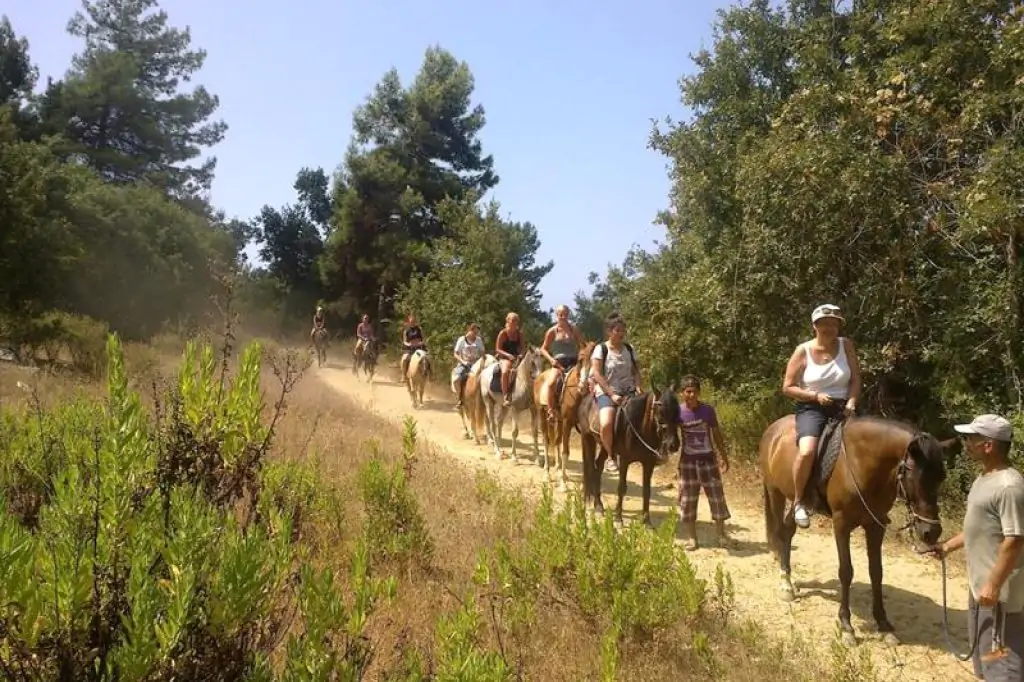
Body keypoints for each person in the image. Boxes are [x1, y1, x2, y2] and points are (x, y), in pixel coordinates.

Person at [927, 414, 1024, 681]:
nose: (966, 443)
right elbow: (978, 529)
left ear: (989, 445)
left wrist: (993, 585)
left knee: (1003, 662)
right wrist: (947, 546)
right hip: (980, 587)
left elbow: (1015, 539)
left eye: (972, 438)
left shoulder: (1008, 487)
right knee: (986, 658)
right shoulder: (985, 479)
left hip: (999, 594)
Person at [781, 303, 862, 529]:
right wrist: (814, 396)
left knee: (867, 447)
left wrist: (852, 401)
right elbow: (787, 387)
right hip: (812, 406)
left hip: (843, 407)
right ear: (815, 326)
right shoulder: (803, 350)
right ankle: (799, 501)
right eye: (825, 323)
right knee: (807, 450)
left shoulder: (847, 346)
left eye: (834, 323)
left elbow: (855, 378)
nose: (830, 328)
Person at [676, 375, 732, 550]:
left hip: (708, 460)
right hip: (688, 463)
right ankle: (692, 538)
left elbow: (716, 434)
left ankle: (721, 535)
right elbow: (669, 435)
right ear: (682, 393)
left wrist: (724, 456)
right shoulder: (678, 412)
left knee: (717, 498)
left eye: (694, 392)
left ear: (699, 393)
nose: (691, 395)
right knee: (688, 500)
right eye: (688, 391)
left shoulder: (707, 411)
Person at [589, 312, 642, 474]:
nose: (621, 333)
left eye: (623, 330)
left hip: (629, 390)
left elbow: (637, 371)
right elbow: (597, 374)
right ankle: (611, 456)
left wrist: (639, 387)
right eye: (617, 330)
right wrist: (611, 394)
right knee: (607, 422)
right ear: (609, 331)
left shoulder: (630, 349)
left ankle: (649, 452)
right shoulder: (601, 349)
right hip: (607, 390)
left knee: (650, 417)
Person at [539, 304, 584, 421]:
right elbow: (543, 349)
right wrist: (551, 360)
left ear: (568, 315)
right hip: (558, 362)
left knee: (586, 381)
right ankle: (551, 410)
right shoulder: (552, 331)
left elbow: (582, 345)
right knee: (552, 383)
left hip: (574, 362)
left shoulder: (574, 329)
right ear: (557, 315)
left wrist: (581, 356)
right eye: (560, 314)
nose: (563, 317)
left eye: (565, 314)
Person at [494, 312, 525, 407]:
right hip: (504, 358)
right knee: (505, 371)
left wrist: (521, 354)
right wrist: (508, 355)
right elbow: (498, 349)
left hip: (516, 358)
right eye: (513, 320)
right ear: (508, 321)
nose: (515, 322)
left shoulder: (519, 334)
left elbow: (523, 348)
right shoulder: (503, 333)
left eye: (516, 320)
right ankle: (506, 395)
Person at [452, 322, 485, 408]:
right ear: (470, 330)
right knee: (457, 378)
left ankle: (484, 398)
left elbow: (482, 352)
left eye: (476, 332)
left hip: (476, 363)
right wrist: (462, 361)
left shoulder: (478, 340)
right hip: (464, 363)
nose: (475, 334)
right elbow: (455, 353)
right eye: (474, 332)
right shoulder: (462, 340)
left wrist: (481, 360)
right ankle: (460, 397)